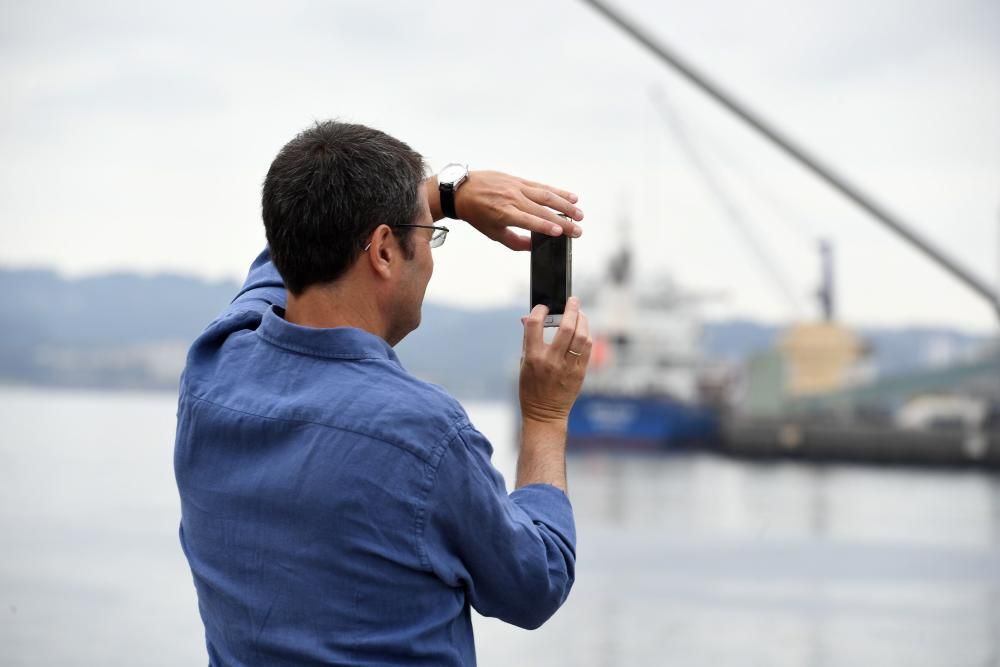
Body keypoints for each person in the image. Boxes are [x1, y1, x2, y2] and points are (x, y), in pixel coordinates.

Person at [174, 120, 592, 666]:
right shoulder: (424, 434)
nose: (432, 259)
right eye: (428, 237)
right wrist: (545, 414)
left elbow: (291, 245)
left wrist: (438, 196)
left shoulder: (213, 367)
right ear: (384, 250)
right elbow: (535, 583)